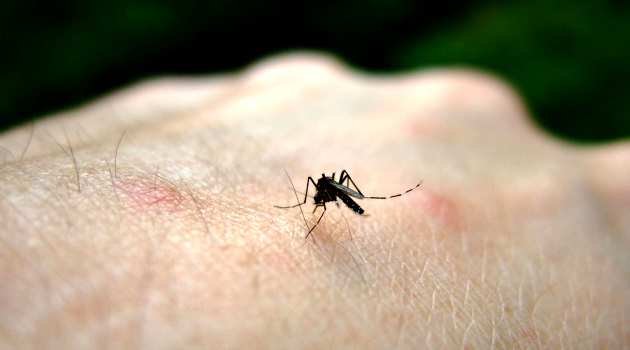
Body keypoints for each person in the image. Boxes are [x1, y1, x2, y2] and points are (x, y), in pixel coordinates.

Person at [1, 53, 628, 348]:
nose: (321, 194)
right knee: (326, 188)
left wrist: (335, 199)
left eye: (324, 194)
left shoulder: (329, 190)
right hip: (338, 194)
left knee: (333, 188)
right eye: (325, 195)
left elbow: (323, 186)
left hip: (347, 194)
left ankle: (357, 196)